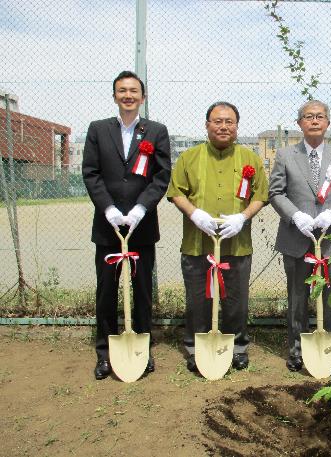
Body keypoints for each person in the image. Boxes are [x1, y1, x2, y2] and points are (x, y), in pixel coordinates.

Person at [82, 70, 171, 380]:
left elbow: (161, 176)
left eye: (134, 91)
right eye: (122, 91)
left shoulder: (156, 131)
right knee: (106, 290)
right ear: (115, 95)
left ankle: (142, 349)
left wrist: (140, 209)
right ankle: (105, 353)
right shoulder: (98, 129)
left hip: (141, 227)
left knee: (142, 288)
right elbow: (91, 173)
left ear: (142, 97)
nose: (128, 95)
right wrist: (107, 208)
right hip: (108, 228)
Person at [167, 101, 268, 372]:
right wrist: (195, 214)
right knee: (198, 300)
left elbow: (261, 195)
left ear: (236, 126)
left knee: (236, 300)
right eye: (218, 121)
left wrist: (243, 217)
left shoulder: (250, 159)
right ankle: (195, 347)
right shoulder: (190, 157)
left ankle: (237, 348)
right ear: (207, 125)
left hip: (237, 244)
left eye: (229, 122)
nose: (223, 126)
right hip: (197, 243)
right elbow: (176, 191)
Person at [269, 100, 331, 372]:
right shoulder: (285, 155)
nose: (315, 121)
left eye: (320, 116)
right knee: (297, 297)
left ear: (328, 123)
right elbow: (276, 193)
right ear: (300, 124)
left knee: (330, 298)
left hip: (330, 240)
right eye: (309, 117)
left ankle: (329, 349)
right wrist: (296, 216)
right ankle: (297, 350)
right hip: (296, 238)